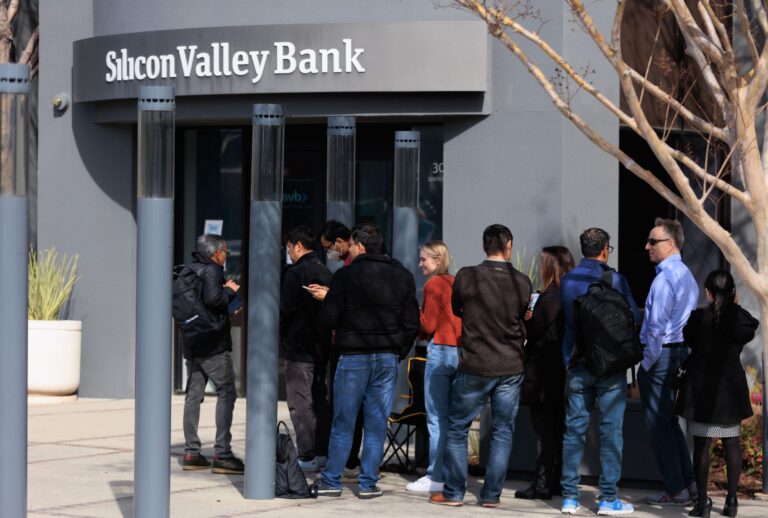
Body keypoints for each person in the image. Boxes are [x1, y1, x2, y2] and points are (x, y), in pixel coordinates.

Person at [313, 224, 420, 499]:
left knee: (343, 422)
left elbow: (329, 319)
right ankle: (368, 483)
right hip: (386, 357)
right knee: (376, 422)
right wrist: (397, 351)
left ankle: (332, 480)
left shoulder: (345, 276)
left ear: (359, 246)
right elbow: (412, 323)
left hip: (353, 356)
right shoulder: (403, 276)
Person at [430, 224, 531, 508]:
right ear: (509, 246)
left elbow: (457, 309)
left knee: (457, 427)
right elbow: (524, 316)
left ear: (484, 246)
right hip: (510, 365)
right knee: (502, 430)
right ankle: (491, 496)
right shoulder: (521, 281)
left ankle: (453, 493)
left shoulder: (467, 276)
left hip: (475, 363)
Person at [559, 228, 640, 515]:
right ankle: (608, 499)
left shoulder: (567, 281)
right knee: (610, 432)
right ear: (605, 249)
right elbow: (634, 316)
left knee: (574, 431)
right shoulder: (615, 280)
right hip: (610, 367)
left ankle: (569, 497)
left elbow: (565, 323)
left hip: (578, 364)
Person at [675, 270, 758, 518]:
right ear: (733, 293)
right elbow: (751, 325)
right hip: (729, 390)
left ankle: (703, 504)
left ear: (707, 293)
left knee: (701, 446)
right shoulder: (738, 320)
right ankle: (731, 502)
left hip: (700, 389)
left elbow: (687, 339)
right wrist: (735, 304)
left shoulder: (697, 318)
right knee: (732, 444)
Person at [639, 218, 699, 505]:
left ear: (671, 244)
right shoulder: (686, 274)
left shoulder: (664, 279)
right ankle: (688, 484)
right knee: (669, 422)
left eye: (653, 241)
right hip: (677, 352)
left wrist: (647, 363)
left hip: (661, 353)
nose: (647, 246)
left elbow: (656, 328)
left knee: (658, 425)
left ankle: (676, 489)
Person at [515, 245, 574, 501]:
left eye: (542, 262)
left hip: (543, 372)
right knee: (557, 428)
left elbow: (535, 328)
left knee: (544, 430)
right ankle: (556, 480)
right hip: (558, 370)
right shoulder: (566, 294)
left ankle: (543, 483)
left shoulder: (552, 296)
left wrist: (526, 318)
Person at [181, 234, 244, 474]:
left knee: (193, 395)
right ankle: (222, 454)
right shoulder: (212, 270)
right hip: (213, 345)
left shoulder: (189, 270)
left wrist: (225, 304)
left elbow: (202, 304)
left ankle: (191, 452)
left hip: (192, 341)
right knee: (227, 391)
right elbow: (213, 298)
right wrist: (228, 291)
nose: (226, 256)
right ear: (216, 253)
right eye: (225, 252)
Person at [405, 241, 462, 493]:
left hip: (440, 350)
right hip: (460, 352)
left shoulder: (433, 285)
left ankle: (435, 475)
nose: (420, 264)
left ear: (437, 260)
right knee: (453, 419)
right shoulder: (455, 282)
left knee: (437, 418)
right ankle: (451, 473)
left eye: (424, 259)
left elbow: (427, 325)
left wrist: (412, 316)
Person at [280, 225, 333, 472]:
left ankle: (307, 453)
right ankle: (322, 451)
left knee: (299, 402)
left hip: (299, 347)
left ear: (298, 246)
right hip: (321, 347)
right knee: (319, 400)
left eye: (289, 247)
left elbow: (285, 310)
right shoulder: (325, 271)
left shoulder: (295, 273)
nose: (288, 252)